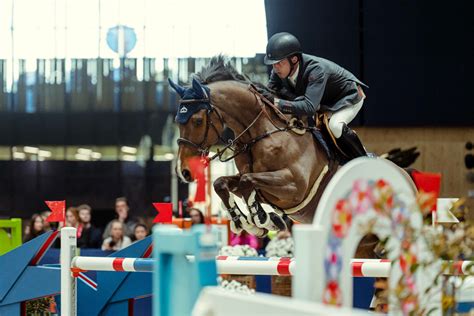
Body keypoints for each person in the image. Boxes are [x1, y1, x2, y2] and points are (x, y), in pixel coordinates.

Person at [261, 32, 368, 159]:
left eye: (279, 63)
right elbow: (270, 92)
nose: (276, 67)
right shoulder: (278, 71)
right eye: (273, 64)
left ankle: (364, 160)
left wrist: (277, 103)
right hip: (324, 101)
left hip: (348, 97)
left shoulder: (316, 70)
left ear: (294, 59)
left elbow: (309, 107)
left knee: (335, 126)